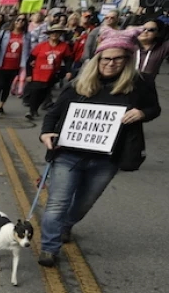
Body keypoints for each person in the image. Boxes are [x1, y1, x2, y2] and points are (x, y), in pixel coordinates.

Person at [37, 28, 160, 266]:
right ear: (97, 59)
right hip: (68, 155)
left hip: (106, 159)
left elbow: (154, 109)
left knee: (83, 205)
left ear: (128, 59)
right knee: (57, 203)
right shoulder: (79, 83)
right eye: (106, 58)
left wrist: (142, 113)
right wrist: (45, 133)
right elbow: (53, 114)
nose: (111, 63)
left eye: (118, 58)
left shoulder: (140, 84)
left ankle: (66, 225)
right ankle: (49, 248)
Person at [25, 25, 73, 120]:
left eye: (57, 33)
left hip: (52, 74)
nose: (55, 34)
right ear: (49, 34)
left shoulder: (64, 46)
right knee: (35, 92)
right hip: (38, 73)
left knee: (44, 93)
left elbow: (68, 60)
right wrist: (29, 74)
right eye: (53, 32)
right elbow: (30, 60)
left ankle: (35, 109)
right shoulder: (41, 46)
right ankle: (31, 111)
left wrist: (68, 71)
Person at [0, 14, 31, 117]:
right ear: (14, 21)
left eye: (23, 20)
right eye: (18, 19)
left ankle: (1, 105)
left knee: (7, 87)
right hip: (1, 64)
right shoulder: (5, 33)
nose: (20, 22)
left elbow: (28, 50)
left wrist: (26, 65)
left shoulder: (26, 36)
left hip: (15, 66)